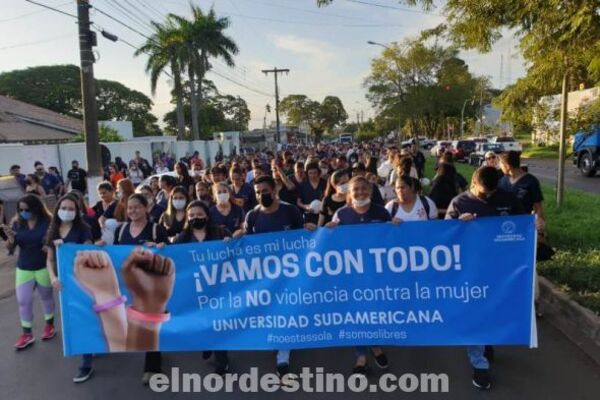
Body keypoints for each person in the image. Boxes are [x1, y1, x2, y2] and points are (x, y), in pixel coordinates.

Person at [445, 166, 525, 390]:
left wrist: (536, 227)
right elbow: (444, 237)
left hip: (501, 272)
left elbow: (523, 226)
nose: (487, 198)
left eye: (491, 194)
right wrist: (458, 225)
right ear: (473, 183)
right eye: (482, 194)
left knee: (494, 311)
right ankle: (479, 364)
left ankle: (488, 338)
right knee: (475, 315)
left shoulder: (508, 199)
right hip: (471, 272)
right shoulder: (459, 203)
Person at [234, 175, 315, 377]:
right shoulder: (252, 216)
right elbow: (247, 245)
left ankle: (283, 357)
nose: (261, 195)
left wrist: (310, 230)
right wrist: (237, 237)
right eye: (258, 192)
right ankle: (275, 340)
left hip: (289, 274)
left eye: (265, 191)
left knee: (284, 310)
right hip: (264, 275)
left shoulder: (291, 210)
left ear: (274, 190)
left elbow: (302, 239)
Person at [326, 176, 390, 375]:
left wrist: (397, 226)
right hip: (351, 276)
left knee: (375, 311)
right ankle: (361, 355)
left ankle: (375, 344)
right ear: (349, 193)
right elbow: (330, 244)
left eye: (364, 189)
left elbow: (394, 241)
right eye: (356, 190)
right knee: (356, 314)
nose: (360, 193)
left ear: (370, 191)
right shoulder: (341, 215)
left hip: (376, 274)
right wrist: (325, 231)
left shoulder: (382, 212)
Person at [113, 193, 169, 385]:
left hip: (151, 286)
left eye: (137, 207)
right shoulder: (121, 231)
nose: (132, 211)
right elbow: (113, 255)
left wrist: (162, 246)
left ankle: (152, 367)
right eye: (129, 208)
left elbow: (170, 254)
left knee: (149, 325)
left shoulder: (156, 230)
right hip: (128, 286)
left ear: (146, 208)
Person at [173, 200, 230, 374]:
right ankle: (207, 343)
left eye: (199, 215)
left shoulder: (220, 232)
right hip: (195, 290)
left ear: (207, 215)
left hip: (218, 288)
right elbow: (171, 256)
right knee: (203, 323)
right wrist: (159, 247)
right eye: (191, 216)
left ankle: (222, 362)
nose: (195, 218)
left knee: (217, 324)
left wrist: (233, 240)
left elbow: (236, 249)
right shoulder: (182, 238)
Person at [45, 194, 94, 383]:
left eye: (71, 209)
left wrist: (69, 246)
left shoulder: (83, 229)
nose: (67, 212)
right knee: (72, 320)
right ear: (58, 210)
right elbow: (49, 259)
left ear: (77, 211)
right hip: (64, 284)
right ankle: (88, 349)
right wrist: (53, 278)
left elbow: (89, 253)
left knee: (85, 319)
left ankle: (86, 363)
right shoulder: (54, 230)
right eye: (63, 208)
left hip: (83, 282)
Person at [4, 195, 54, 350]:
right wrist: (11, 240)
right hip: (24, 267)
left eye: (27, 209)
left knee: (46, 297)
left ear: (36, 208)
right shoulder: (17, 223)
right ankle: (27, 333)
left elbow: (55, 242)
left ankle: (49, 325)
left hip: (43, 267)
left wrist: (49, 246)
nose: (23, 212)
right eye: (20, 209)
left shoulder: (49, 223)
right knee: (23, 300)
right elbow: (10, 248)